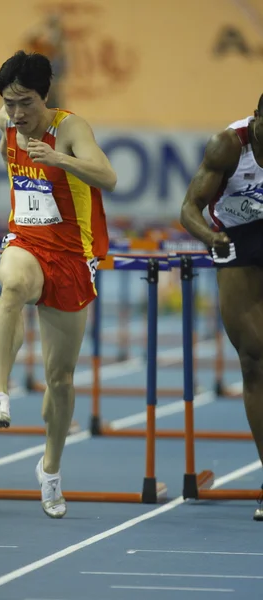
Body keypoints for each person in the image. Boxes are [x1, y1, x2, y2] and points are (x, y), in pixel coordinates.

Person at [0, 50, 116, 518]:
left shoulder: (71, 127)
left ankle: (51, 469)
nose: (17, 113)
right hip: (26, 238)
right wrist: (11, 143)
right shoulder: (7, 117)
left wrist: (56, 157)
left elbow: (109, 177)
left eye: (25, 103)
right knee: (12, 288)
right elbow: (6, 145)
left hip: (72, 255)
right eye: (10, 103)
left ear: (45, 94)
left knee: (59, 379)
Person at [180, 95, 263, 521]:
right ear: (257, 119)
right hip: (236, 237)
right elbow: (188, 209)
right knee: (253, 362)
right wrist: (208, 238)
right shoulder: (228, 145)